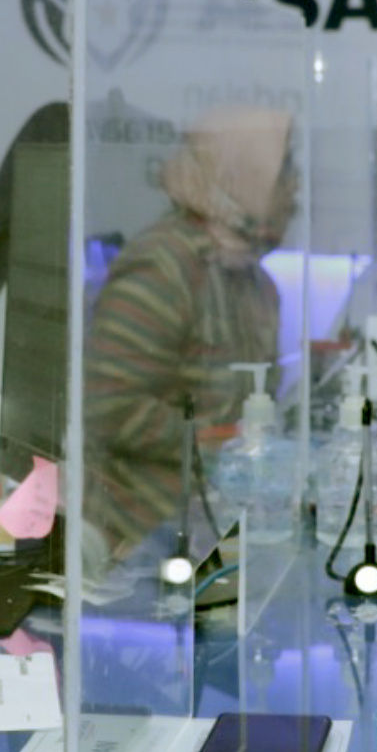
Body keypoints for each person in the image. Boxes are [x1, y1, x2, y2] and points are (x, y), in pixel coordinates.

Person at [83, 105, 293, 559]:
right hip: (146, 539)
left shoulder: (252, 279)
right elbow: (109, 408)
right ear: (243, 177)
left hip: (218, 525)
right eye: (283, 174)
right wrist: (217, 441)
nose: (294, 192)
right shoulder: (163, 266)